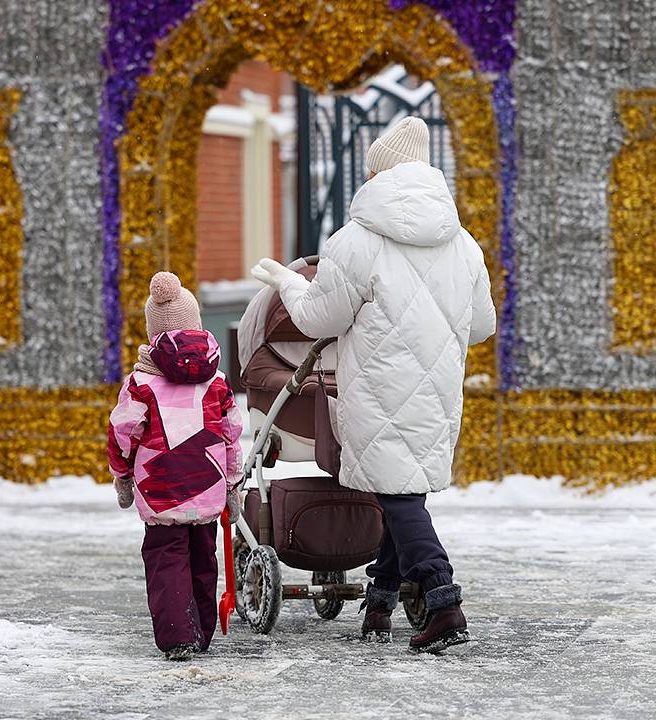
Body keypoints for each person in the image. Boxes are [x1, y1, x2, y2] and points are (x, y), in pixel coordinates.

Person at [250, 116, 496, 654]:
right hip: (437, 388)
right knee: (398, 490)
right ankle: (380, 602)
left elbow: (317, 320)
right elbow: (482, 325)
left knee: (399, 496)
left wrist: (291, 281)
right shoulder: (464, 244)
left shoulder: (356, 241)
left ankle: (442, 600)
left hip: (380, 388)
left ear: (377, 174)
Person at [107, 272, 244, 661]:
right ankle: (200, 632)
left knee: (166, 559)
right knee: (203, 559)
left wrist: (122, 474)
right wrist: (232, 484)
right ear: (197, 325)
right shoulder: (217, 380)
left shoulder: (141, 383)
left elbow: (123, 431)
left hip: (160, 488)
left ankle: (177, 635)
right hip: (207, 485)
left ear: (153, 333)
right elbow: (232, 435)